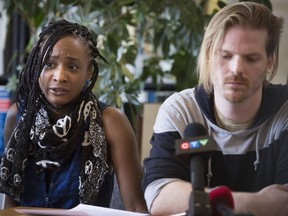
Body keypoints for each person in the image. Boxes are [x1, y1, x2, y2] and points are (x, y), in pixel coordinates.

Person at [142, 2, 288, 216]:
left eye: (251, 58)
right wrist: (257, 202)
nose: (236, 69)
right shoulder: (181, 111)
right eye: (226, 55)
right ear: (209, 55)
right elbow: (159, 196)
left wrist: (196, 199)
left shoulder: (284, 111)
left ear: (269, 61)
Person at [0, 19, 148, 213]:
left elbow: (135, 207)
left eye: (73, 67)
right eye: (49, 64)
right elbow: (11, 207)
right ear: (37, 67)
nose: (60, 76)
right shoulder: (18, 118)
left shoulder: (111, 122)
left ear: (89, 72)